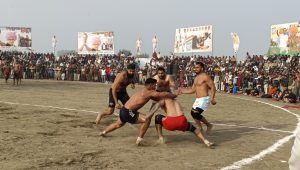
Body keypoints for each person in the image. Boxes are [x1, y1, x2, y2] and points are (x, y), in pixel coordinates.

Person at [98, 78, 178, 145]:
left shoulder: (144, 91)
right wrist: (174, 95)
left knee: (118, 124)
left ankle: (103, 132)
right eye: (154, 85)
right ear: (150, 85)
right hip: (128, 112)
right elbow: (161, 94)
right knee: (147, 119)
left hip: (124, 110)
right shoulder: (150, 92)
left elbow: (156, 97)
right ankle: (139, 140)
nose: (155, 86)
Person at [149, 98, 215, 148]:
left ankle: (161, 138)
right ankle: (206, 141)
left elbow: (156, 107)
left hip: (170, 122)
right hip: (182, 120)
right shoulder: (176, 101)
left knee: (157, 117)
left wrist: (149, 115)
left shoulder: (164, 99)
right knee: (194, 129)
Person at [179, 62, 216, 134]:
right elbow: (192, 90)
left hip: (204, 99)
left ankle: (209, 125)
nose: (195, 69)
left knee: (195, 113)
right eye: (195, 67)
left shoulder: (205, 76)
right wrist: (183, 91)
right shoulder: (196, 78)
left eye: (197, 67)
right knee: (193, 113)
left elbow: (212, 86)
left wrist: (212, 98)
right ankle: (200, 128)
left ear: (202, 68)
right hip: (198, 100)